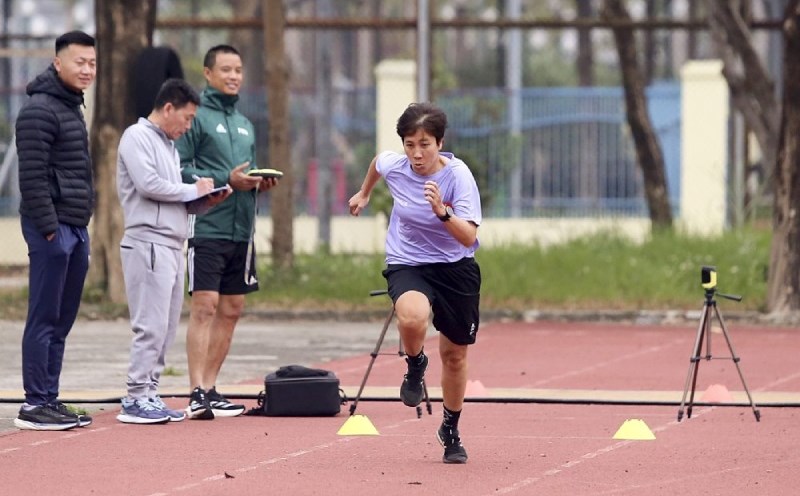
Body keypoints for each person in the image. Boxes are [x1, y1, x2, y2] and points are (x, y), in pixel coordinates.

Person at [348, 102, 482, 464]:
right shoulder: (397, 164)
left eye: (424, 144)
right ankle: (415, 362)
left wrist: (442, 212)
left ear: (440, 142)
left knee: (455, 356)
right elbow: (378, 163)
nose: (417, 154)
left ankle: (450, 429)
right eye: (410, 144)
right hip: (408, 262)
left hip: (455, 267)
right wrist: (365, 193)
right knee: (412, 316)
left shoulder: (457, 176)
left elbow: (468, 237)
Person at [116, 78, 232, 424]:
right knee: (149, 324)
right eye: (188, 117)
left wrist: (203, 201)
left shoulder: (168, 145)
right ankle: (136, 395)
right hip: (147, 241)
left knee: (165, 326)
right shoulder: (136, 137)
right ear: (168, 108)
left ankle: (150, 390)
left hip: (171, 242)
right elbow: (148, 185)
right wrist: (190, 189)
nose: (189, 125)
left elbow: (173, 198)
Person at [176, 44, 278, 420]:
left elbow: (243, 177)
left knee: (233, 308)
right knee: (205, 306)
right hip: (207, 225)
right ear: (207, 73)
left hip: (242, 230)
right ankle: (194, 391)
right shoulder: (196, 118)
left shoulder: (245, 124)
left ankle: (212, 387)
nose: (234, 76)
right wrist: (227, 181)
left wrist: (257, 183)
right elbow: (180, 169)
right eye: (226, 69)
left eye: (238, 69)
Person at [14, 31, 97, 431]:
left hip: (75, 226)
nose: (87, 70)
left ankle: (50, 397)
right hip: (53, 229)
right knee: (44, 317)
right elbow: (30, 178)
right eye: (79, 62)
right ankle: (33, 405)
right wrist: (50, 230)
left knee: (61, 320)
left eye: (92, 63)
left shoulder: (70, 108)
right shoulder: (39, 110)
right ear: (58, 62)